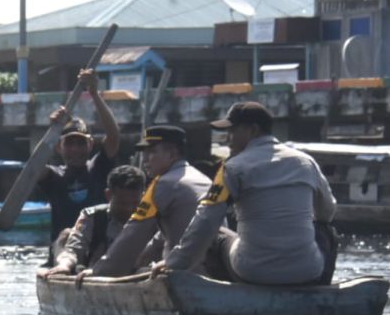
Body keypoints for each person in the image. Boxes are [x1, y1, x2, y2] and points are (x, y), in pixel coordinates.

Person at [154, 102, 337, 285]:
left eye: (232, 132)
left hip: (252, 272)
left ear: (253, 130)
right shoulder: (306, 162)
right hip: (308, 271)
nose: (227, 140)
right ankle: (321, 289)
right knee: (327, 231)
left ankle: (229, 296)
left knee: (214, 235)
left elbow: (206, 220)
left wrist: (173, 263)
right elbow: (327, 211)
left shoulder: (232, 168)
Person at [85, 126, 211, 278]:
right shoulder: (203, 179)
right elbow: (164, 234)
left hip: (183, 277)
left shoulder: (165, 184)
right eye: (144, 152)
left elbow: (134, 234)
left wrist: (99, 271)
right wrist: (140, 260)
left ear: (172, 154)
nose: (144, 159)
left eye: (151, 152)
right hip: (210, 271)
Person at [37, 68, 121, 260]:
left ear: (90, 144)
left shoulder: (98, 168)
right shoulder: (52, 175)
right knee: (66, 235)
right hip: (62, 252)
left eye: (80, 143)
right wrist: (52, 131)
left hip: (97, 251)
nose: (75, 149)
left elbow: (114, 137)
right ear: (59, 147)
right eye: (70, 143)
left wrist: (94, 94)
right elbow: (34, 169)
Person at [45, 165, 147, 277]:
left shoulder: (150, 218)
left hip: (135, 272)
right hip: (93, 274)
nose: (129, 209)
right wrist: (65, 265)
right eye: (122, 203)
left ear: (143, 196)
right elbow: (75, 248)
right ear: (108, 195)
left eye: (135, 203)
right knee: (65, 236)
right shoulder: (93, 217)